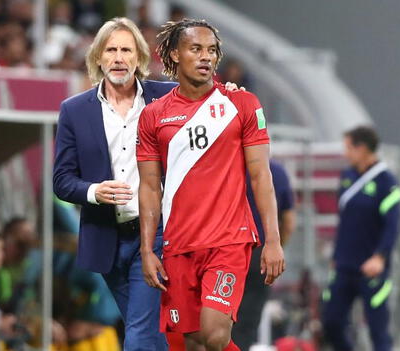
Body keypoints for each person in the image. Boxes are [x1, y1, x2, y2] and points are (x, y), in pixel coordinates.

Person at [137, 19, 285, 351]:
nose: (206, 57)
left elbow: (261, 175)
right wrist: (147, 249)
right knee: (190, 344)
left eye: (212, 50)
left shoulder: (242, 104)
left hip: (228, 241)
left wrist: (272, 240)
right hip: (179, 244)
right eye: (195, 49)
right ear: (174, 54)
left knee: (215, 335)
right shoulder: (153, 116)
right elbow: (148, 187)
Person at [53, 17, 176, 351]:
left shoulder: (166, 99)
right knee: (152, 333)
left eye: (126, 49)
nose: (119, 57)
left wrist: (232, 94)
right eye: (111, 50)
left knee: (138, 335)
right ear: (98, 58)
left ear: (139, 57)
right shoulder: (74, 110)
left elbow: (209, 103)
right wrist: (94, 191)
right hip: (106, 238)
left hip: (155, 236)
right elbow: (62, 181)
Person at [322, 126, 400, 351]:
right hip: (344, 266)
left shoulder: (387, 182)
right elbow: (345, 221)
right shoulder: (347, 176)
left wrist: (380, 257)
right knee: (331, 322)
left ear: (363, 148)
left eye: (349, 148)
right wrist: (336, 255)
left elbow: (393, 225)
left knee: (378, 330)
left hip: (372, 268)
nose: (345, 153)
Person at [233, 159, 295, 350]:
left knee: (218, 318)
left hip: (226, 251)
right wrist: (275, 248)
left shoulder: (227, 167)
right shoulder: (277, 172)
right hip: (259, 252)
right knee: (247, 323)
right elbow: (288, 221)